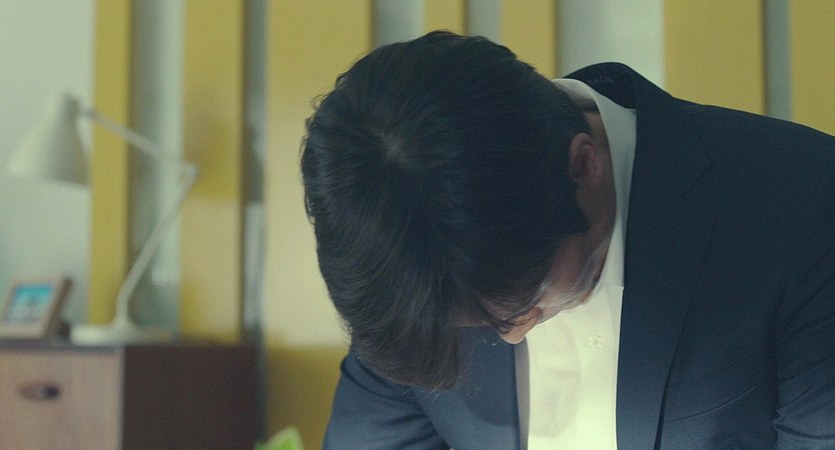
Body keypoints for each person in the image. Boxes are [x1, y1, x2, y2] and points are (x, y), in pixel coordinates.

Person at [301, 31, 835, 449]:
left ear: (583, 166)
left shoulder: (804, 205)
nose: (513, 336)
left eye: (524, 304)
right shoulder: (403, 261)